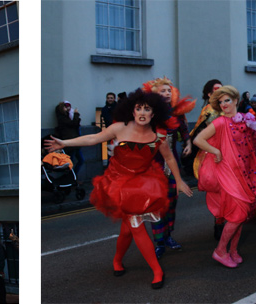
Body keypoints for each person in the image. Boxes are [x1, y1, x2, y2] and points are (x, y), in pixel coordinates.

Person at [45, 89, 194, 289]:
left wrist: (180, 180)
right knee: (137, 226)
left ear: (153, 113)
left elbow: (168, 158)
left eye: (147, 109)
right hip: (119, 182)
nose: (142, 112)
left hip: (143, 182)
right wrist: (64, 142)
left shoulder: (158, 136)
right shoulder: (119, 128)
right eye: (138, 108)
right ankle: (157, 270)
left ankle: (117, 260)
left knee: (126, 231)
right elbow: (92, 139)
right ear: (132, 111)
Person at [193, 85, 256, 267]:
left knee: (240, 215)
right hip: (228, 174)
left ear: (236, 100)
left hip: (244, 173)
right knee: (238, 215)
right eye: (221, 102)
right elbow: (198, 140)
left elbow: (253, 147)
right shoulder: (220, 122)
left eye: (227, 100)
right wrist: (215, 151)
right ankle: (220, 251)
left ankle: (233, 250)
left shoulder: (245, 121)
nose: (224, 104)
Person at [141, 77, 195, 258]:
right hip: (152, 165)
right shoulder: (147, 112)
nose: (166, 93)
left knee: (171, 202)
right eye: (162, 91)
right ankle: (159, 242)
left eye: (168, 90)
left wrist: (187, 143)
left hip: (172, 164)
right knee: (156, 204)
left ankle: (168, 236)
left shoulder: (176, 112)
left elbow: (184, 130)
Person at [184, 79, 224, 238]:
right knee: (218, 189)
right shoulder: (208, 110)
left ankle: (224, 221)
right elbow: (197, 132)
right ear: (209, 94)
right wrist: (190, 146)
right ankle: (219, 223)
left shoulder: (226, 106)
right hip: (213, 153)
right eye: (217, 90)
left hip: (228, 151)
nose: (221, 92)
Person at [54, 100, 84, 178]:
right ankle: (71, 177)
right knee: (72, 161)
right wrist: (76, 114)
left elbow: (75, 124)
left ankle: (74, 176)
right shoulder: (62, 118)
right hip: (70, 143)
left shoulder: (67, 116)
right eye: (65, 107)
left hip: (74, 142)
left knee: (80, 160)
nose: (67, 108)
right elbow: (73, 124)